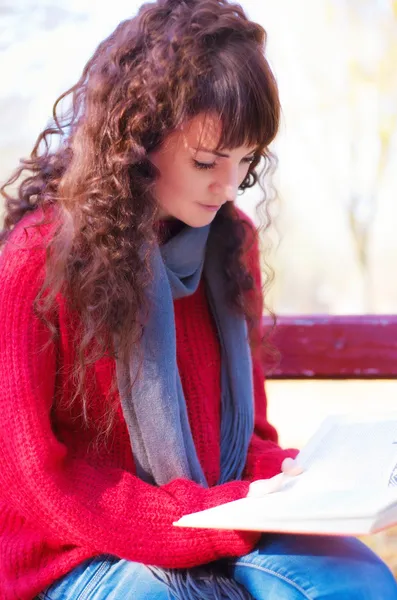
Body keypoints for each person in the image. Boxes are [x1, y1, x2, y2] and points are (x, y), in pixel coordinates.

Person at [0, 0, 396, 598]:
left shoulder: (230, 245)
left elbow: (250, 441)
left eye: (246, 161)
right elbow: (34, 483)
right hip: (73, 553)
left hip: (217, 520)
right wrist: (205, 520)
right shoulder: (35, 259)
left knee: (357, 580)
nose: (229, 185)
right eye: (207, 161)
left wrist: (305, 483)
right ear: (138, 137)